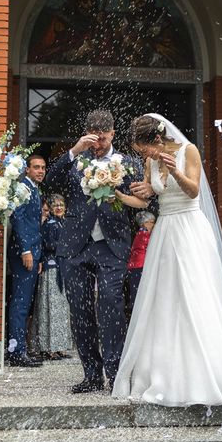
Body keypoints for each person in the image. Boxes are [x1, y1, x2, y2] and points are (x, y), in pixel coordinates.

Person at [111, 114, 222, 407]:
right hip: (165, 231)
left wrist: (174, 172)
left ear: (157, 139)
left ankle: (205, 369)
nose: (143, 156)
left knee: (193, 294)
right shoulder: (150, 162)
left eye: (144, 149)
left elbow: (194, 190)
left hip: (190, 228)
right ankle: (162, 369)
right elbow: (147, 201)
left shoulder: (189, 151)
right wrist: (123, 195)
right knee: (164, 298)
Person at [45, 109, 139, 393]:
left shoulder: (128, 163)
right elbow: (49, 183)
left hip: (112, 246)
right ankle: (92, 375)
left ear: (112, 133)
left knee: (111, 307)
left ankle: (115, 374)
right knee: (80, 311)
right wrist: (74, 150)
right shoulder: (75, 162)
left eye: (103, 138)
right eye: (93, 139)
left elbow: (143, 199)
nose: (98, 144)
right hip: (76, 246)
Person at [7, 155, 46, 367]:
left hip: (33, 254)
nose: (40, 171)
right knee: (20, 302)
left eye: (42, 168)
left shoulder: (34, 188)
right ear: (27, 170)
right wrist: (26, 250)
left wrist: (38, 256)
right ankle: (16, 351)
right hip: (24, 253)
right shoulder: (22, 187)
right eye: (36, 167)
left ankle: (19, 347)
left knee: (24, 302)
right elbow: (19, 218)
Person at [30, 194, 73, 361]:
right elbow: (46, 245)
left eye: (61, 204)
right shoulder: (49, 224)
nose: (59, 208)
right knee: (50, 308)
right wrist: (64, 246)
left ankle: (59, 347)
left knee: (61, 308)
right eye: (55, 205)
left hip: (63, 267)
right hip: (52, 268)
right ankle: (48, 347)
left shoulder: (64, 223)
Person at [125, 211, 155, 317]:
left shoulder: (140, 233)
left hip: (135, 266)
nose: (153, 224)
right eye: (151, 222)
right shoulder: (144, 233)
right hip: (139, 265)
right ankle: (135, 309)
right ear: (145, 223)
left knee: (136, 289)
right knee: (137, 290)